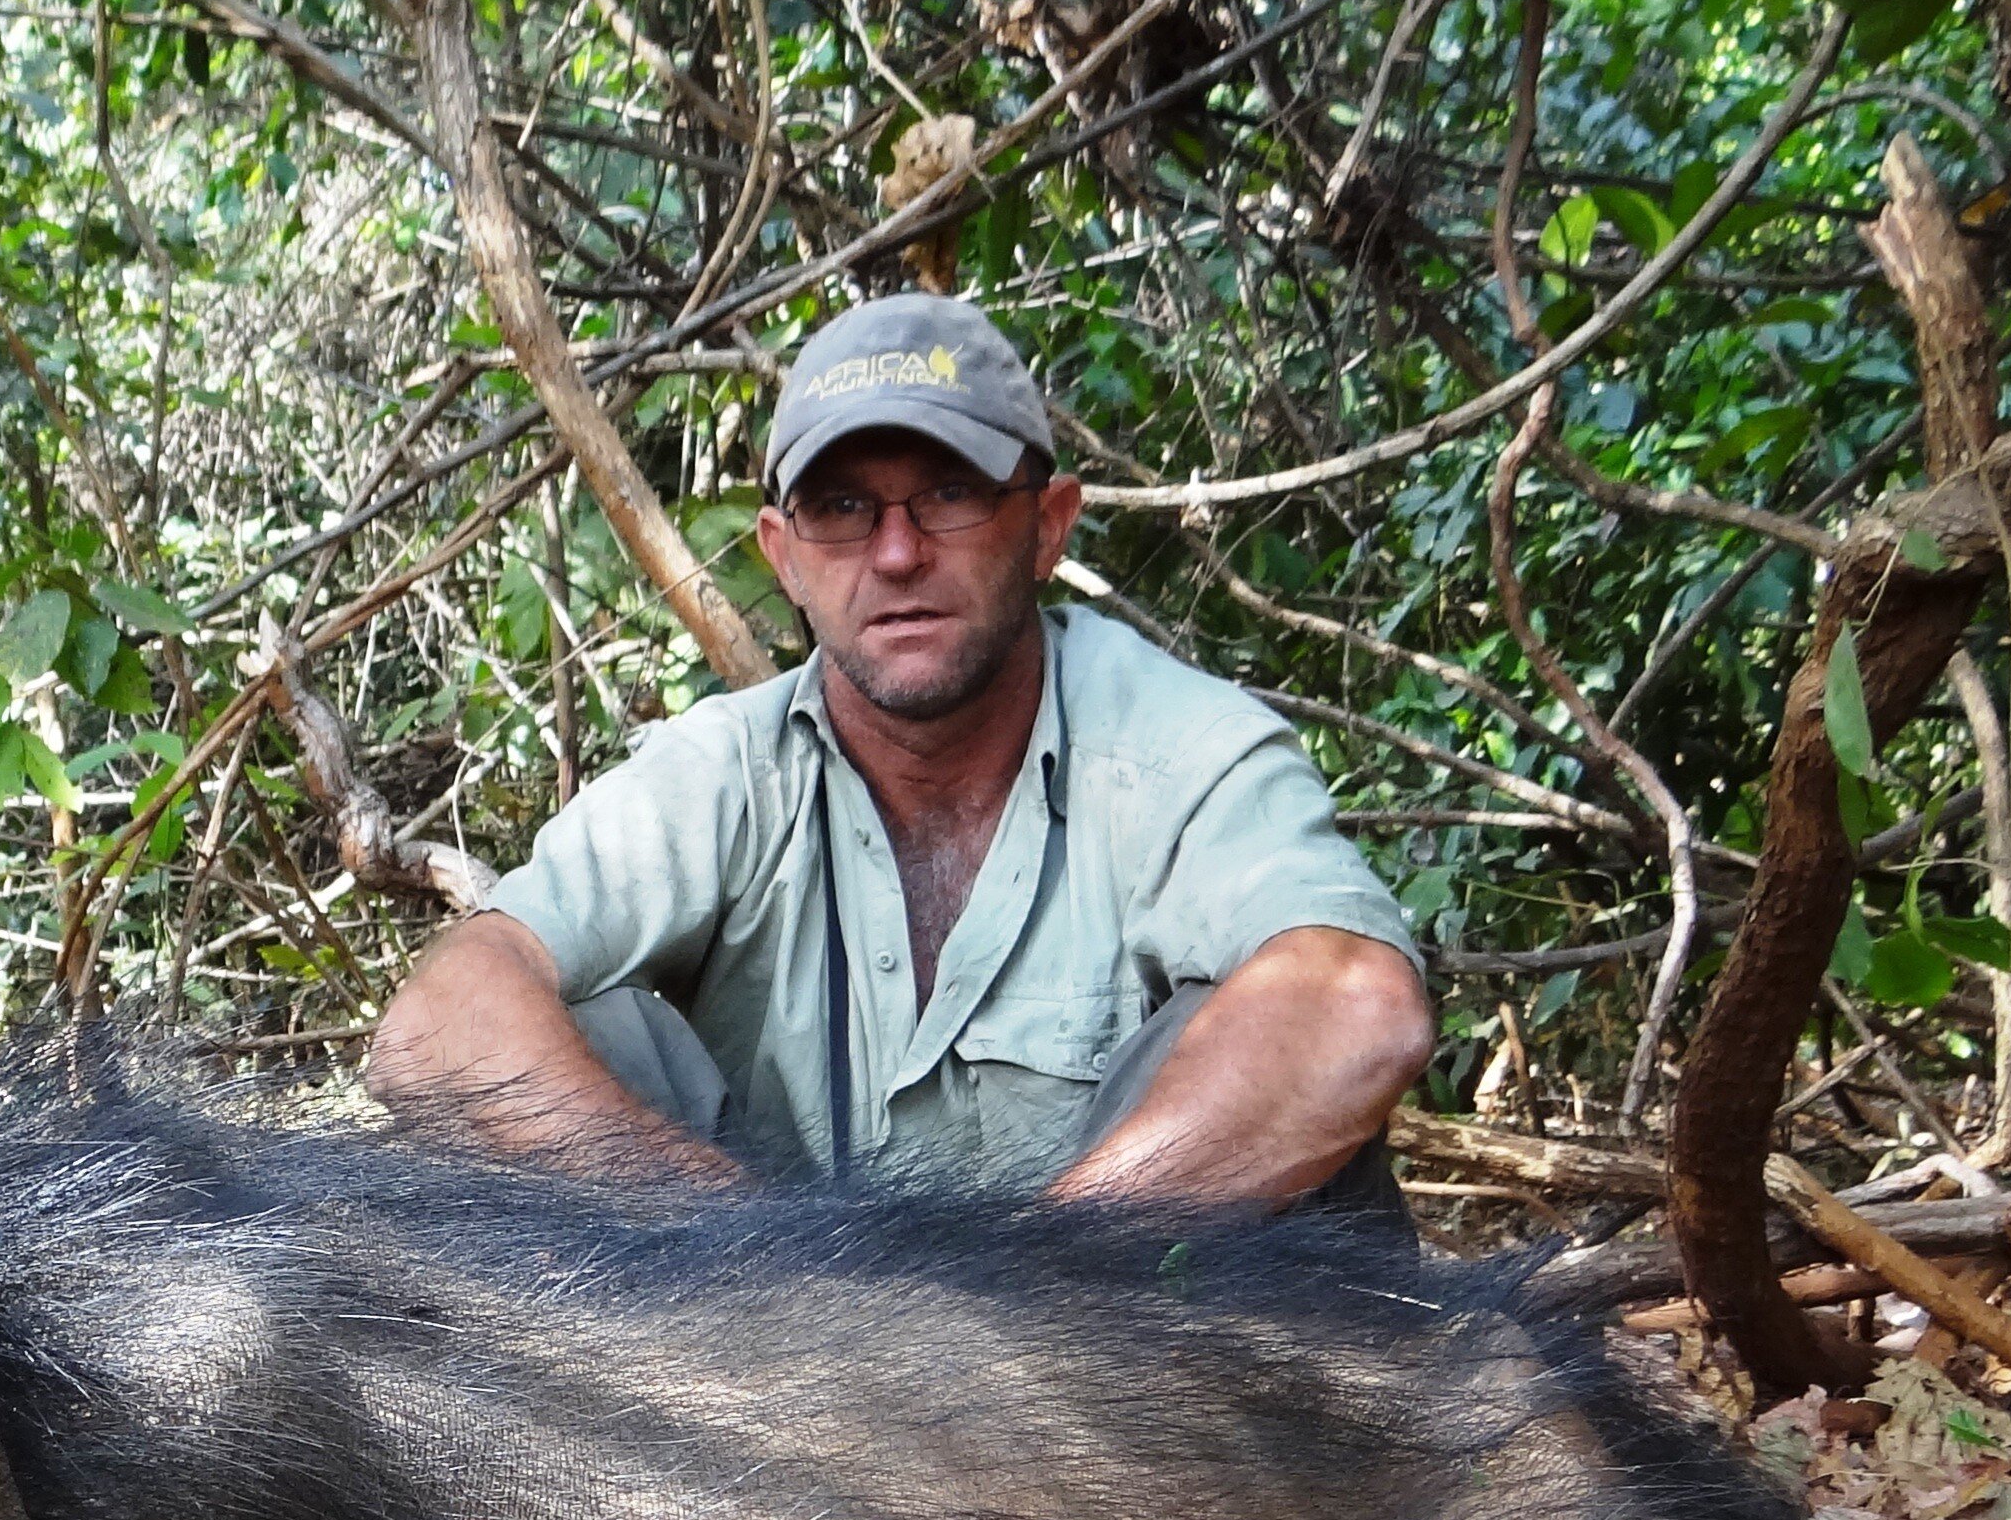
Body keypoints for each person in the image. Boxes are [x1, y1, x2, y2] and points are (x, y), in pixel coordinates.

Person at [367, 292, 1434, 1207]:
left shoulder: (1176, 748)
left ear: (1049, 523)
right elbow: (436, 1026)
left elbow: (1359, 1006)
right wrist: (759, 1265)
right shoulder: (723, 774)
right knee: (572, 1038)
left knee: (1263, 1057)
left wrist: (1036, 1290)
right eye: (840, 508)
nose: (895, 553)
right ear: (782, 558)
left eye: (951, 494)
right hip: (770, 1373)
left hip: (1128, 1384)